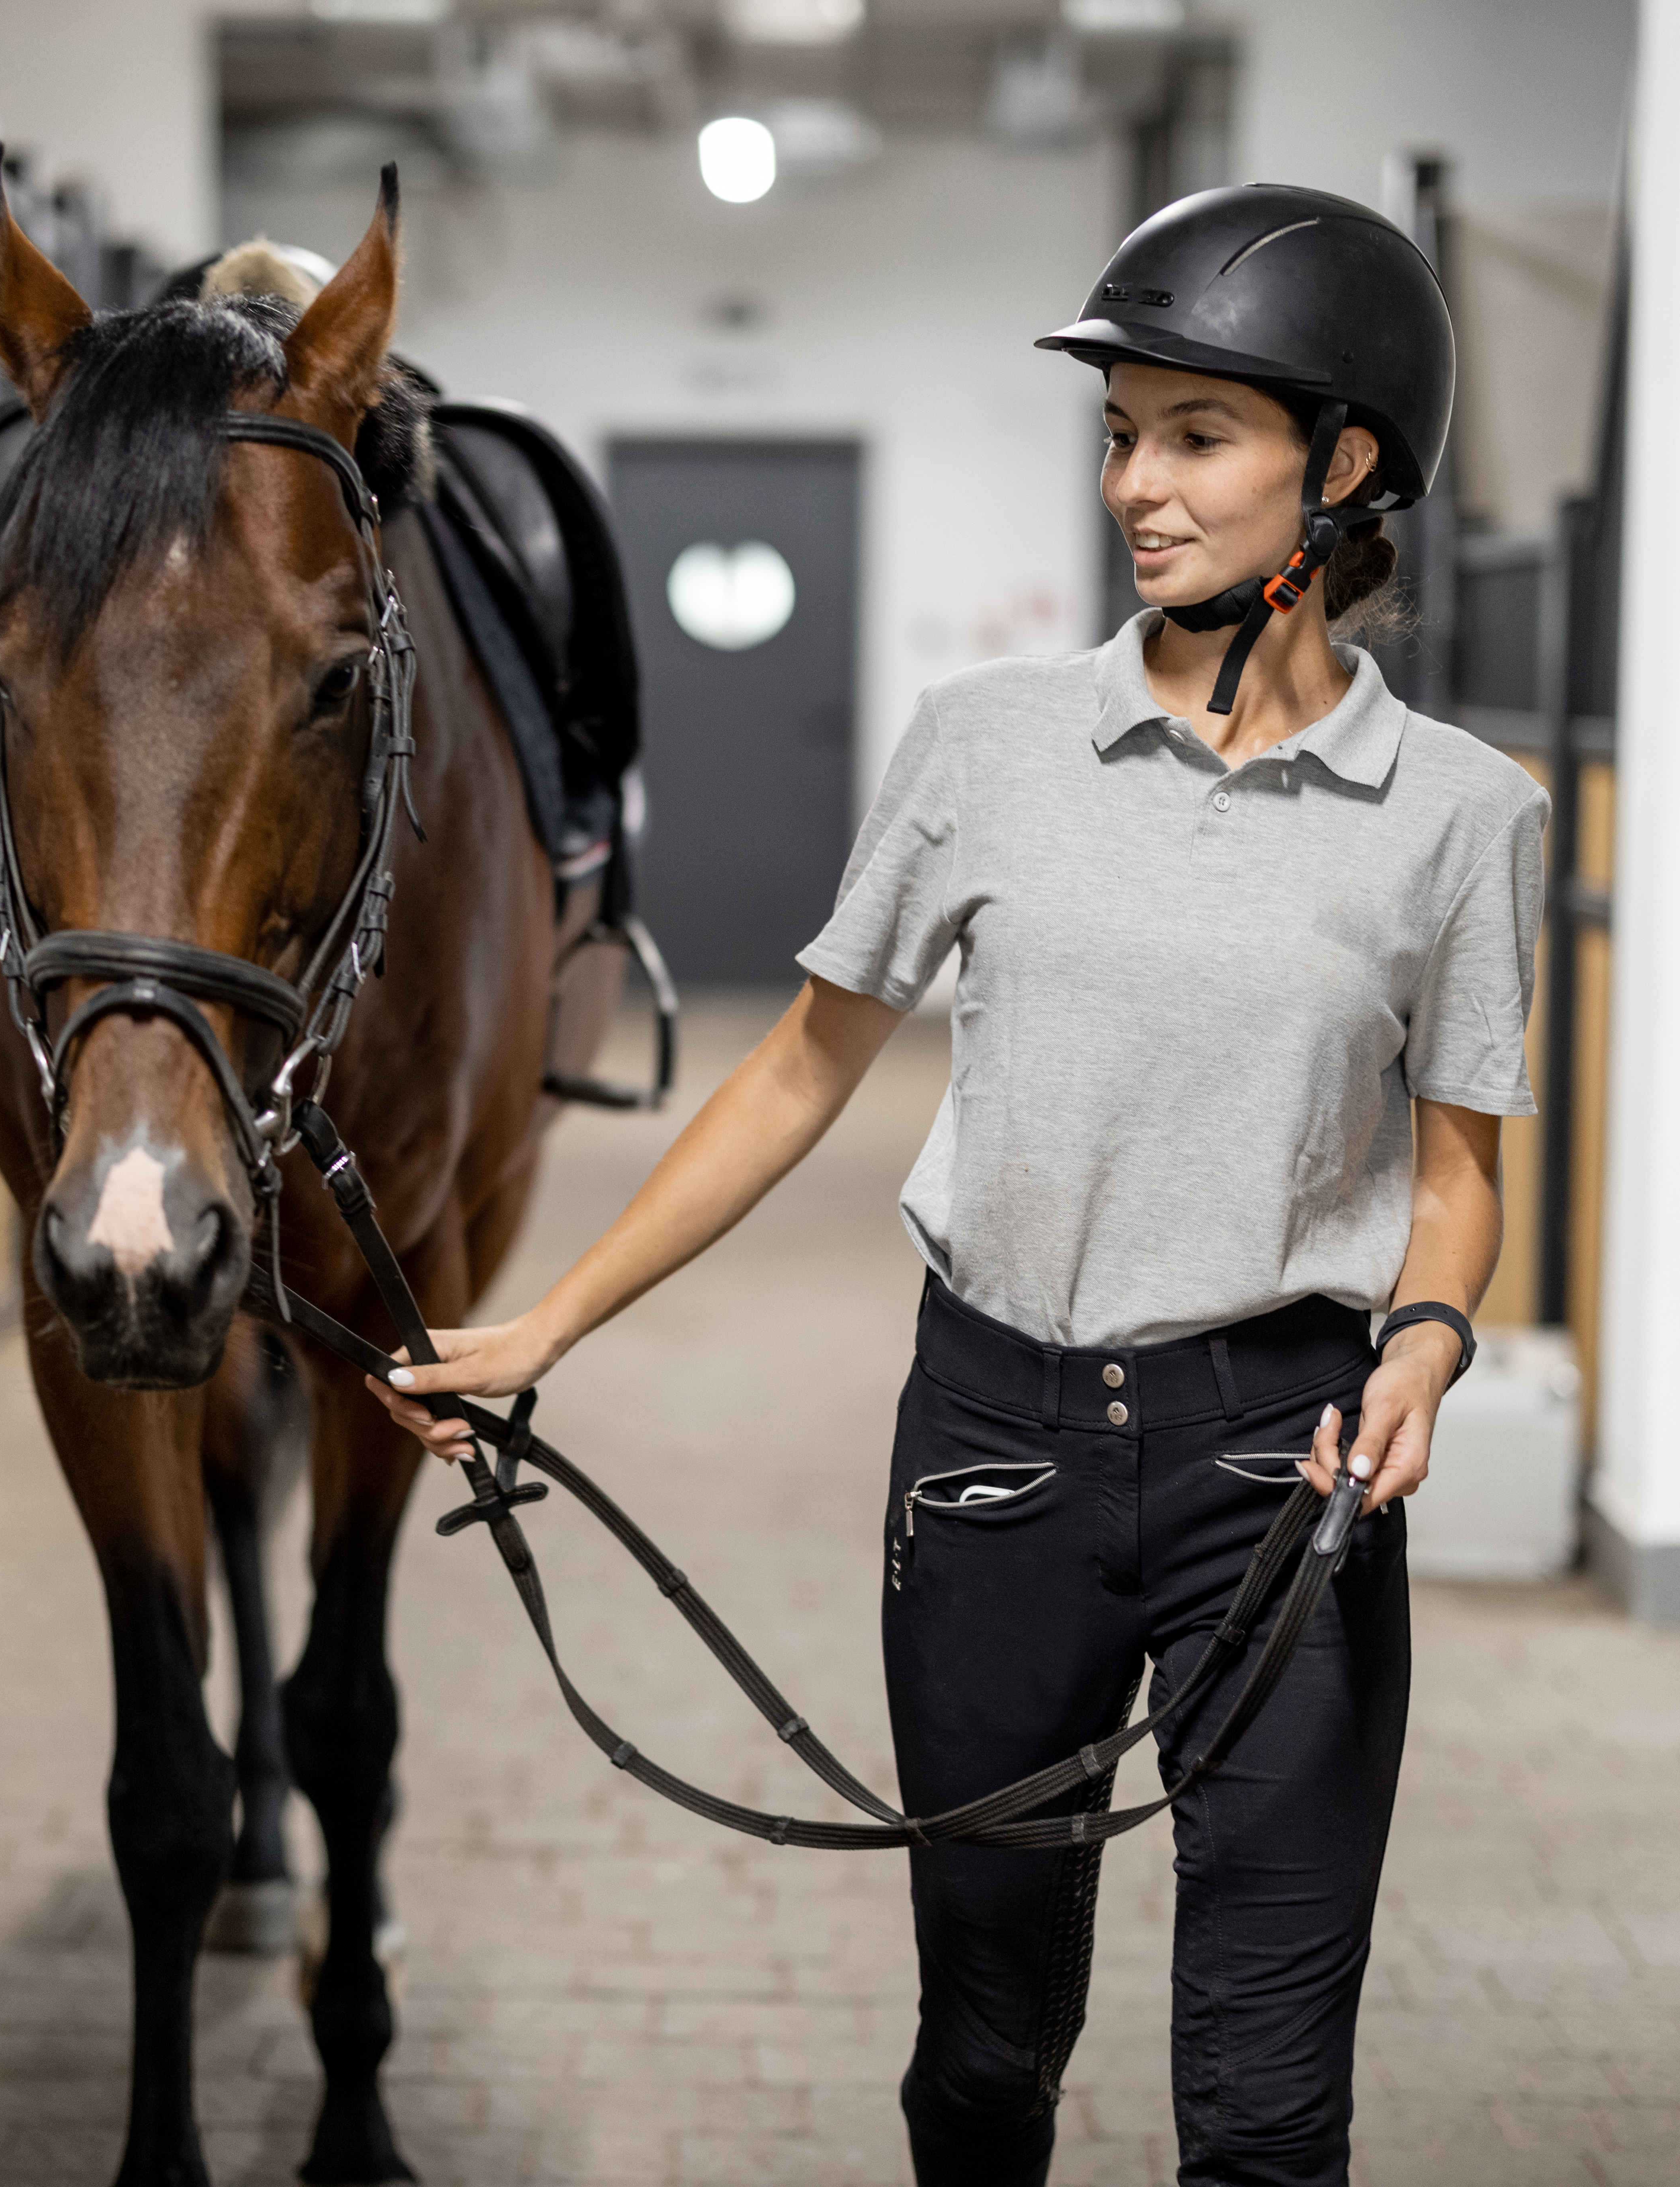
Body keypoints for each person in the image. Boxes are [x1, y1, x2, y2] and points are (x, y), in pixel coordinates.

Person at [371, 183, 1544, 2187]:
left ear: (1342, 466)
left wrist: (1425, 1341)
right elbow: (797, 1069)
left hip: (1285, 1458)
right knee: (986, 2062)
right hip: (997, 1451)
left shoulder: (1459, 814)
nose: (1134, 488)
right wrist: (549, 1320)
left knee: (1269, 2109)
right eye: (1121, 435)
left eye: (1196, 438)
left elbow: (1454, 1166)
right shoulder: (983, 746)